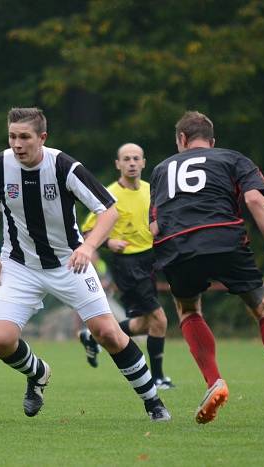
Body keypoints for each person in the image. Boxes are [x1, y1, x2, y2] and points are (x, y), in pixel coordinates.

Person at [0, 107, 170, 422]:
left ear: (42, 137)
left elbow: (109, 209)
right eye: (12, 136)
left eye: (24, 137)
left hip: (69, 263)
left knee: (108, 333)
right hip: (19, 265)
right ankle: (38, 373)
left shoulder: (65, 167)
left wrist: (89, 246)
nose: (17, 144)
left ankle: (153, 401)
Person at [148, 110, 264, 425]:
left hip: (177, 245)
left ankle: (214, 381)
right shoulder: (232, 158)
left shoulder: (161, 169)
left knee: (188, 311)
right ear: (212, 141)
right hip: (223, 237)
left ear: (181, 139)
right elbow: (256, 201)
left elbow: (154, 224)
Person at [77, 143, 174, 390]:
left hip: (148, 261)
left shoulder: (151, 191)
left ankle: (93, 338)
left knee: (143, 323)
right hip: (127, 265)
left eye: (136, 158)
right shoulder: (110, 194)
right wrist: (109, 241)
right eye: (126, 159)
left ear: (143, 163)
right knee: (159, 320)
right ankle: (159, 377)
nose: (131, 163)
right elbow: (87, 230)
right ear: (117, 164)